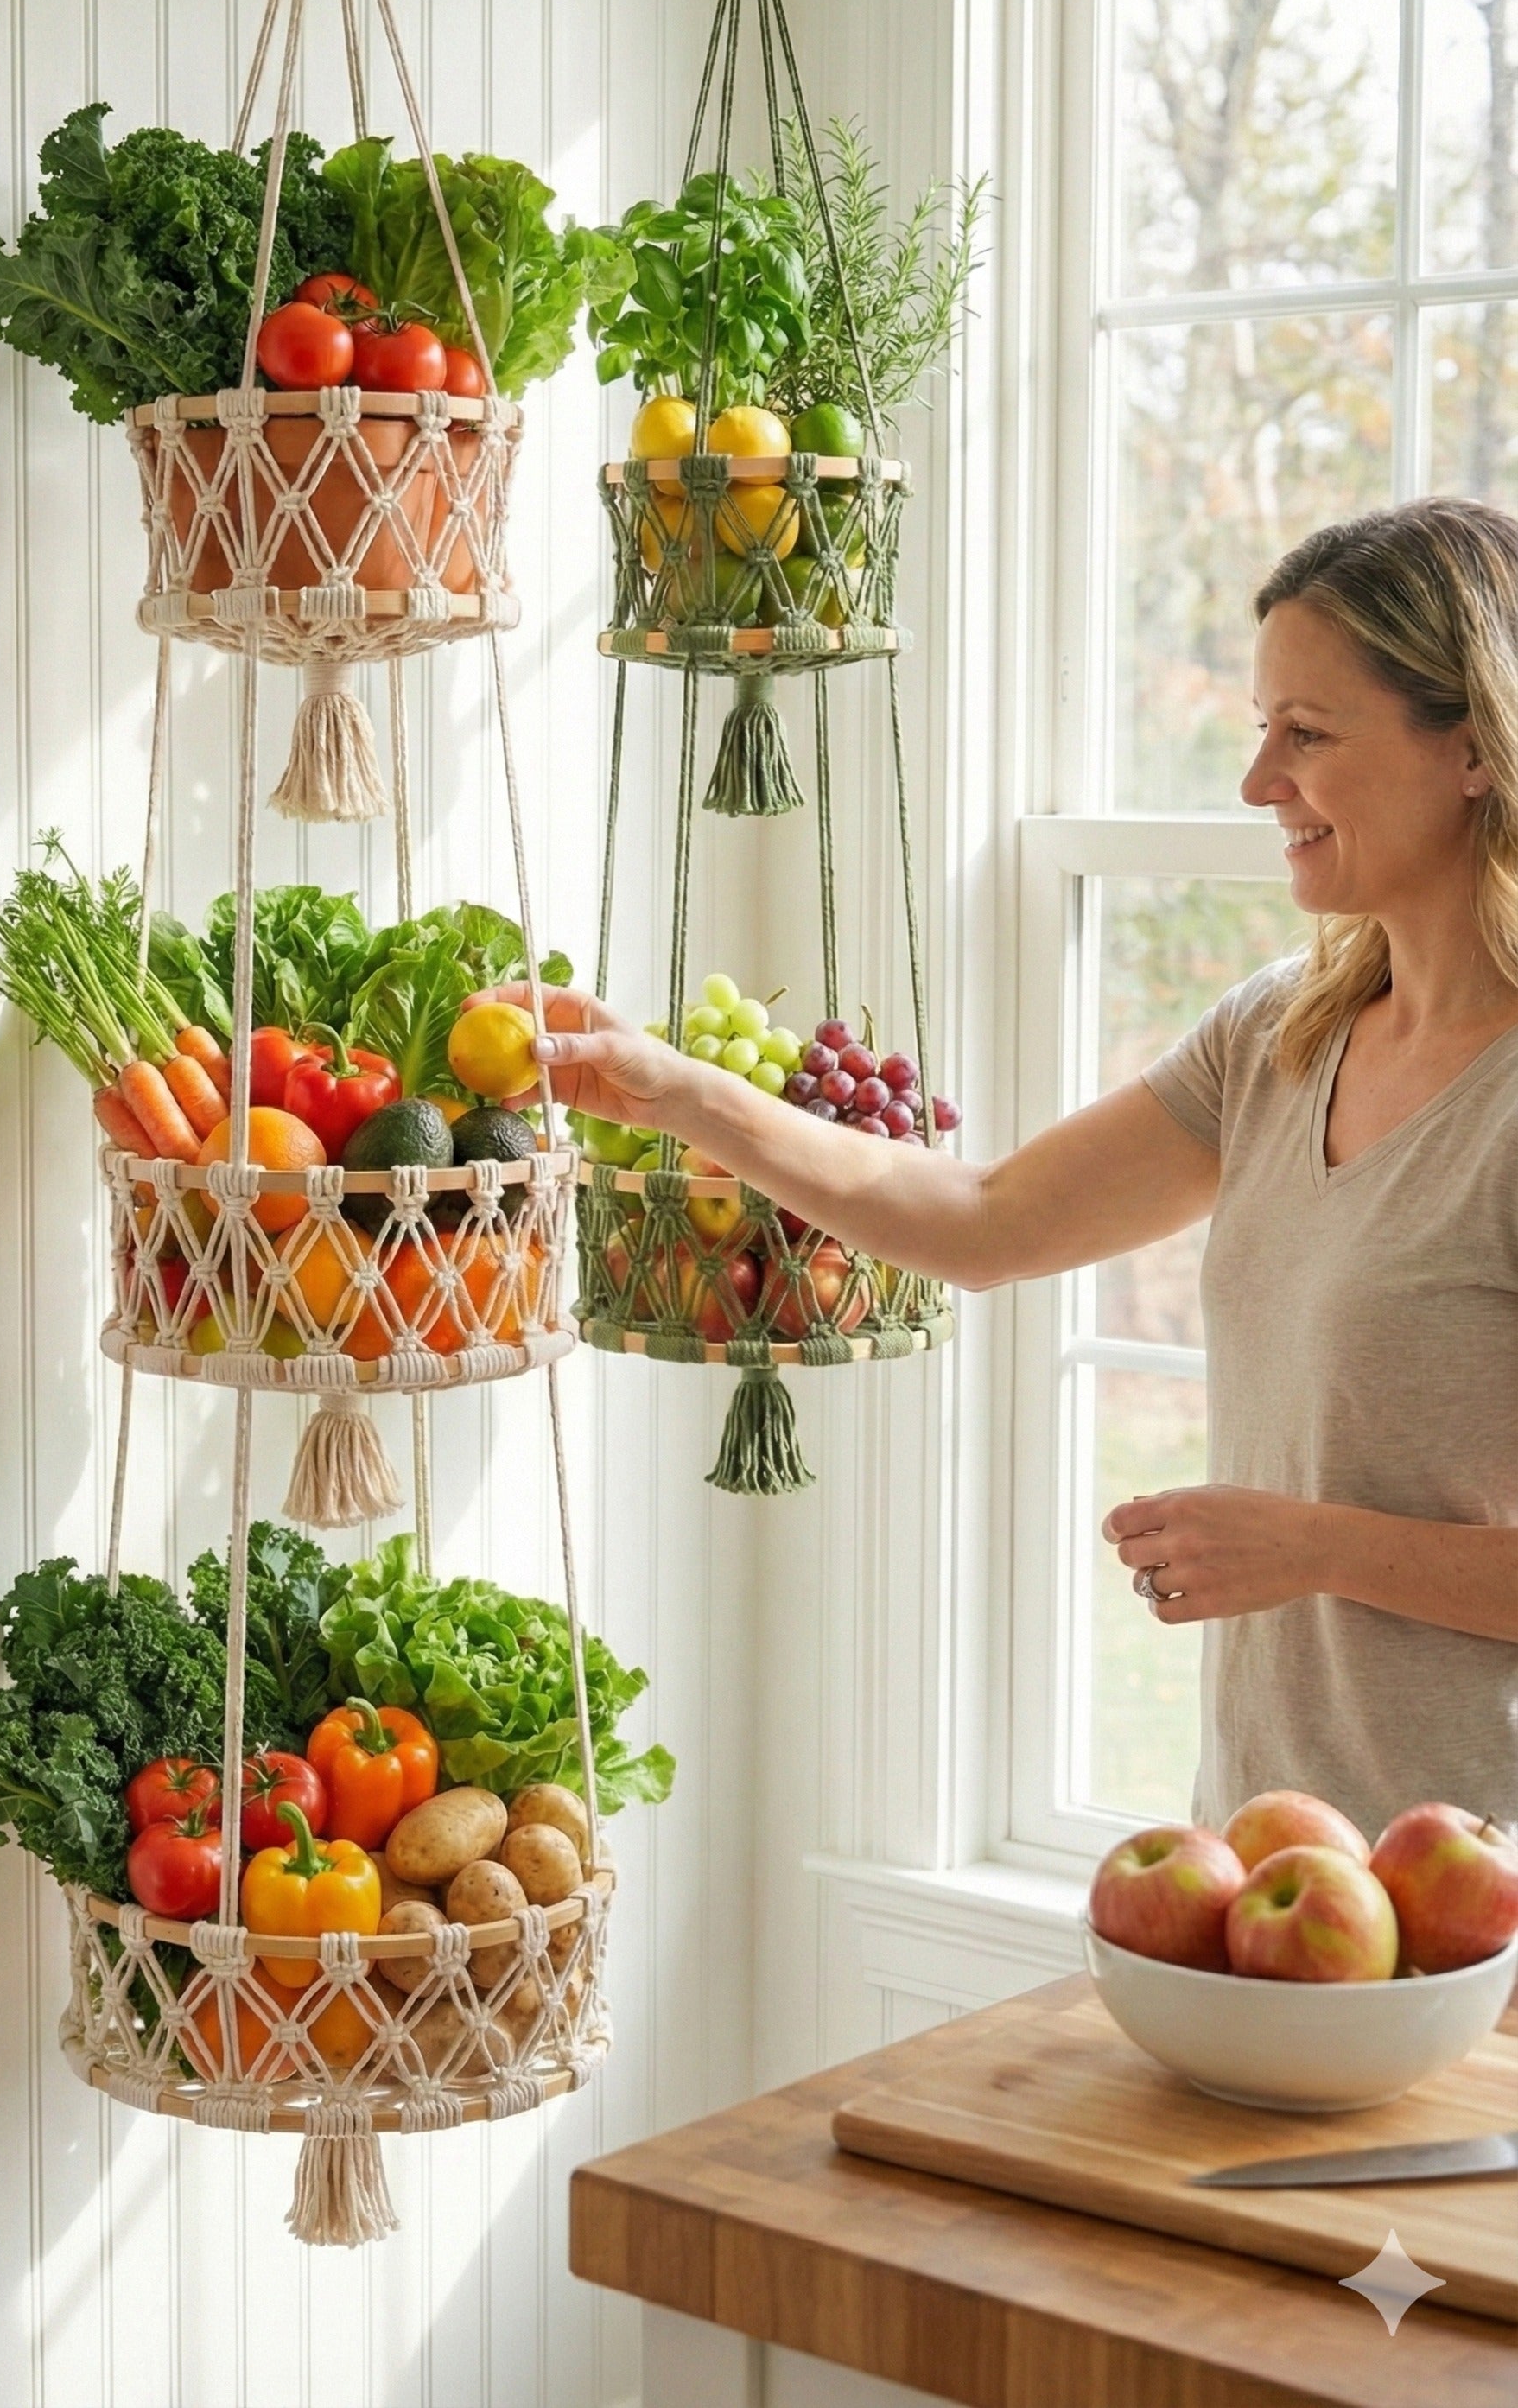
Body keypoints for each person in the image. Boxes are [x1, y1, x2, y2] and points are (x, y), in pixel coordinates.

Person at [513, 498, 1518, 1836]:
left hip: (1483, 1886)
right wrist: (676, 1090)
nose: (1257, 781)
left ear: (1473, 745)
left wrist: (1313, 1546)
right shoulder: (1280, 1036)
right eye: (1259, 727)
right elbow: (984, 1220)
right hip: (1266, 1856)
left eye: (1308, 734)